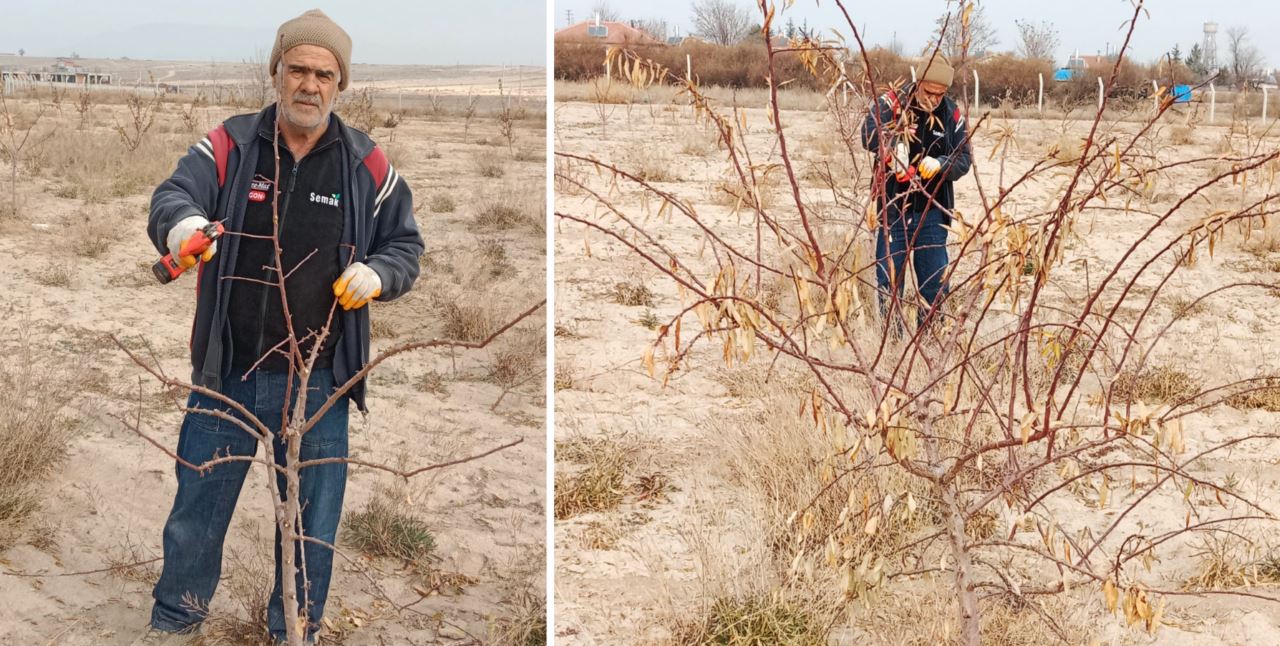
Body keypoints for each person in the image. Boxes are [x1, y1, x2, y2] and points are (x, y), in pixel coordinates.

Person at [134, 9, 424, 645]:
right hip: (227, 372)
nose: (310, 85)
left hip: (319, 383)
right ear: (276, 72)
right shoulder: (231, 145)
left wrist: (378, 273)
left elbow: (405, 246)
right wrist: (183, 226)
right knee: (197, 510)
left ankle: (294, 629)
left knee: (310, 525)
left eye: (325, 74)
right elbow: (172, 194)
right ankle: (176, 620)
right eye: (298, 69)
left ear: (340, 85)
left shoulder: (365, 164)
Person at [860, 52, 971, 333]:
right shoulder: (891, 103)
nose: (934, 99)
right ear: (918, 82)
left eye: (940, 94)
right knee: (889, 280)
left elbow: (964, 159)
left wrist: (942, 163)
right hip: (892, 209)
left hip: (932, 212)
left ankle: (930, 338)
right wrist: (891, 146)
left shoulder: (951, 112)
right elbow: (867, 133)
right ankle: (892, 341)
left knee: (934, 281)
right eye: (929, 92)